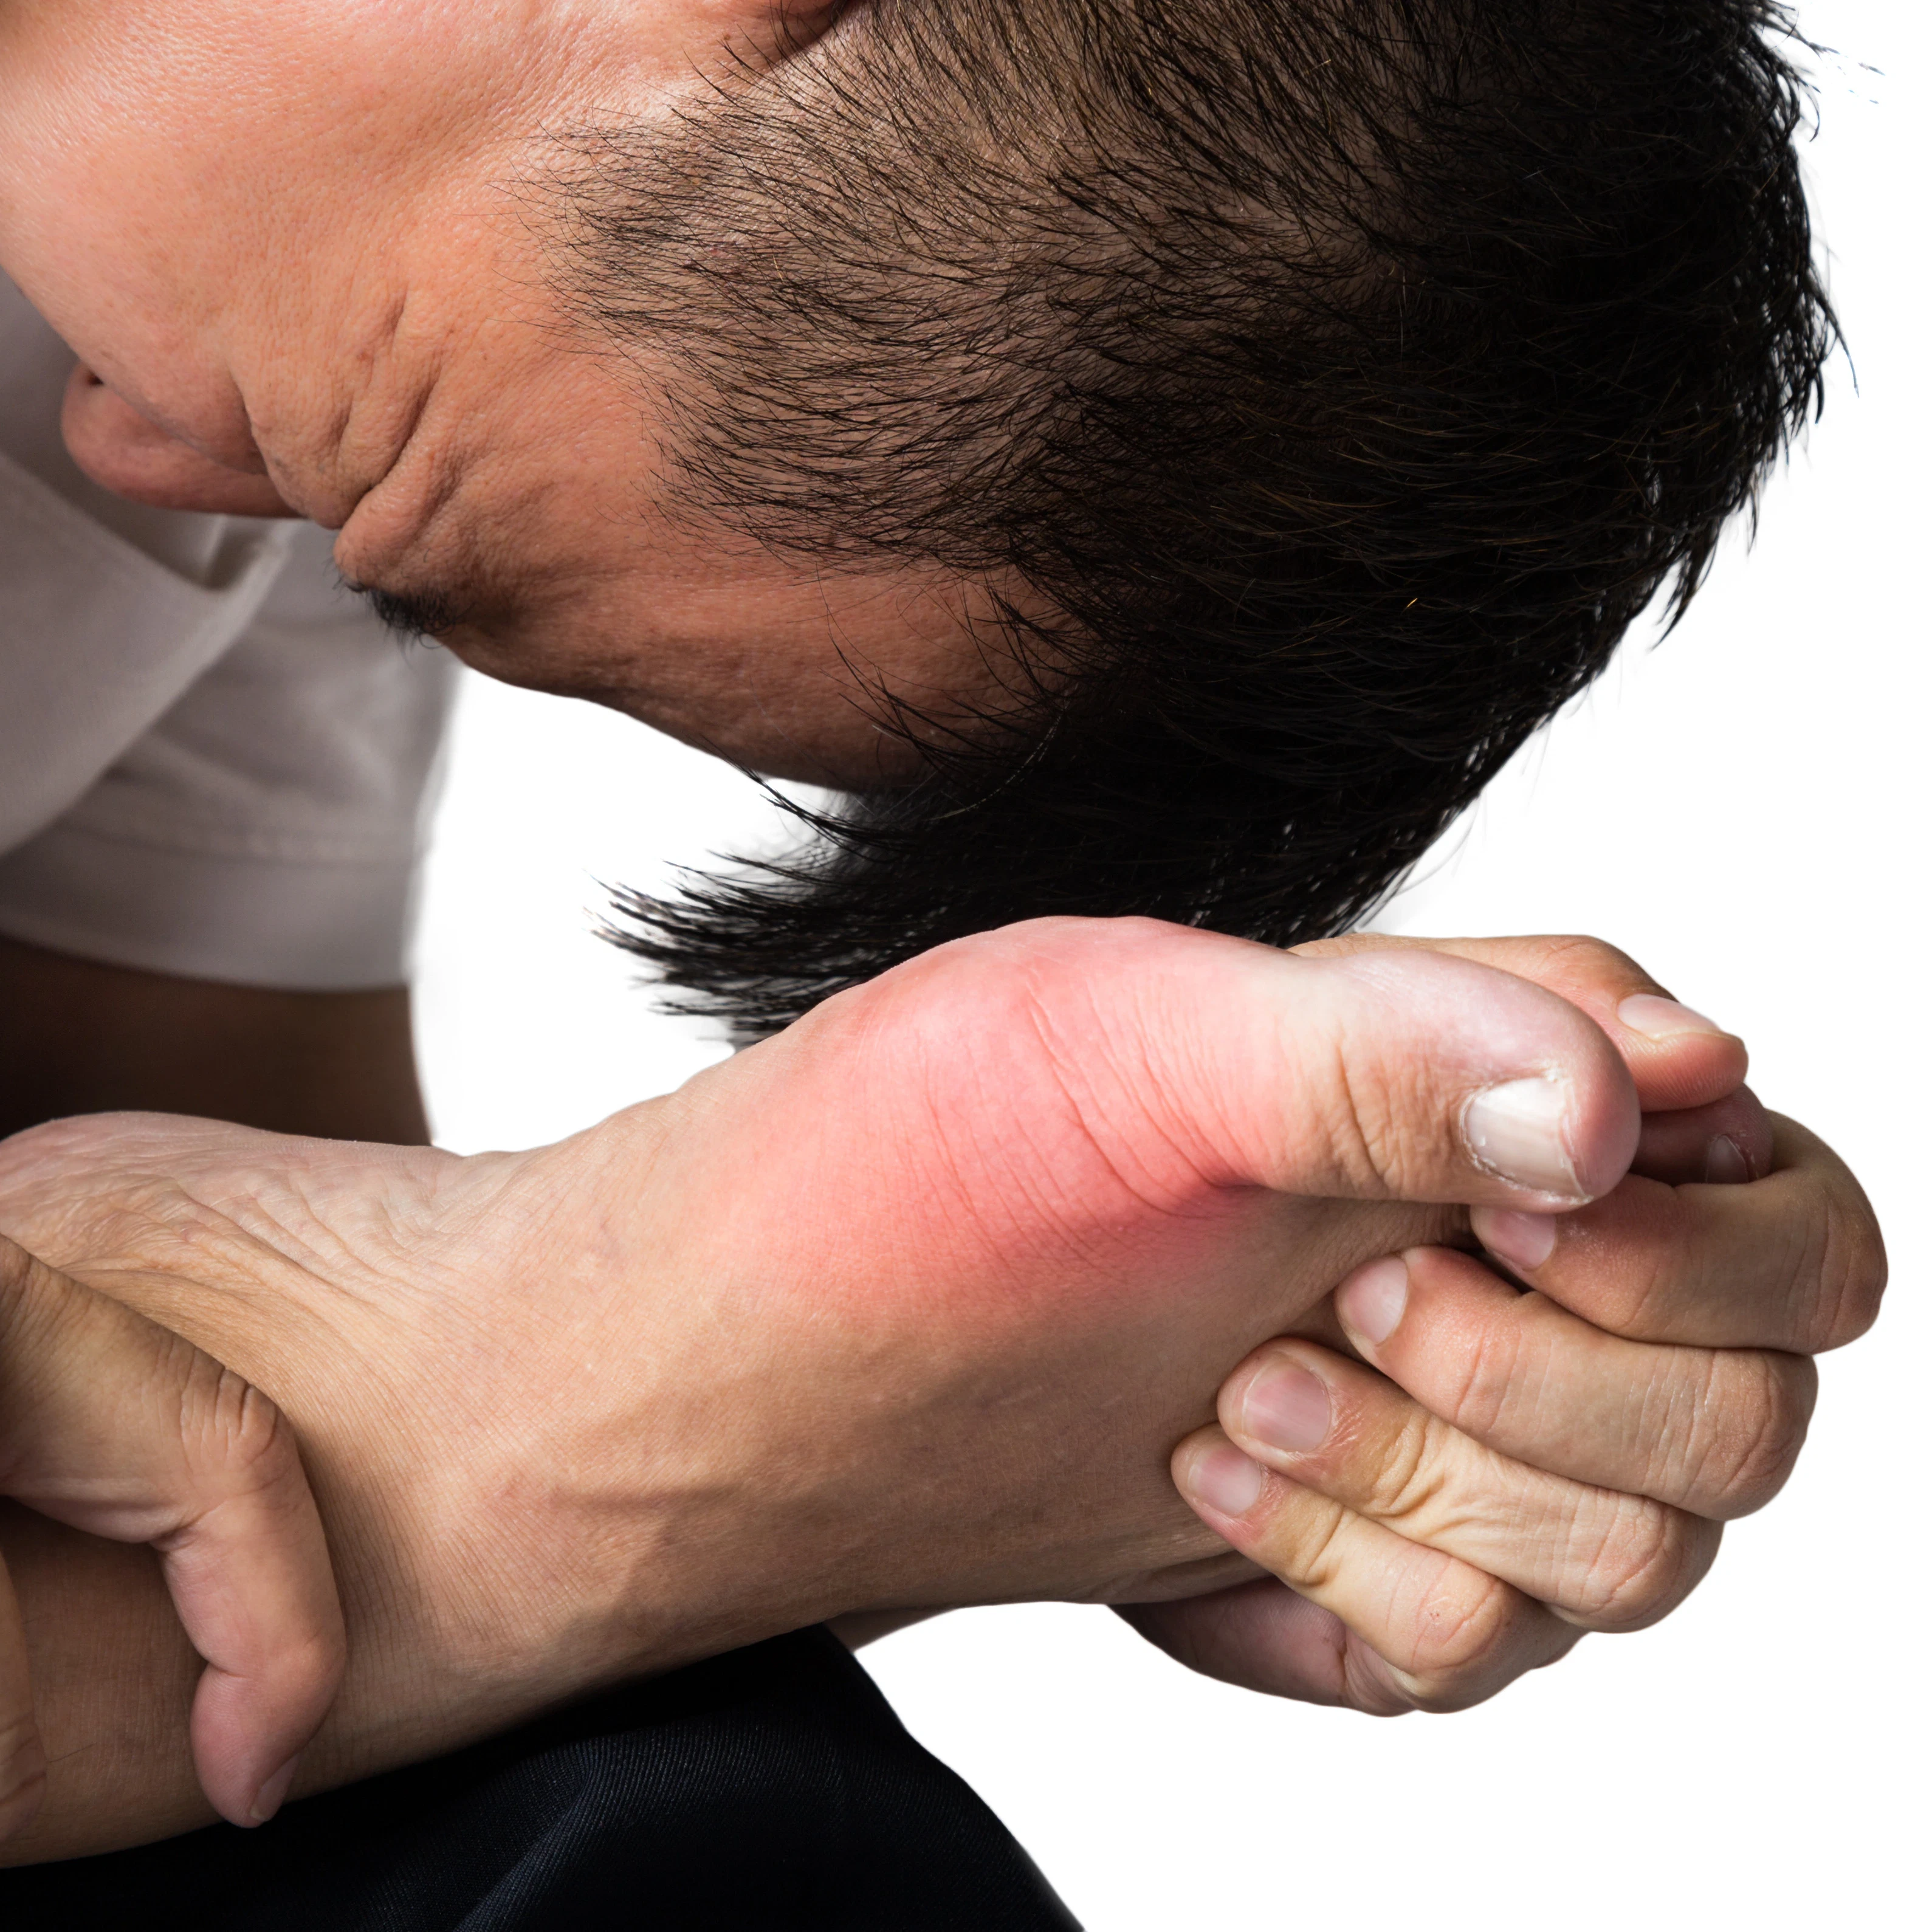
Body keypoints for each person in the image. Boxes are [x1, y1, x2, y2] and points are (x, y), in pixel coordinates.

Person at [0, 0, 1883, 1917]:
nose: (119, 457)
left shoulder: (211, 238)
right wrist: (635, 1435)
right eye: (366, 478)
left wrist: (992, 1411)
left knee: (684, 1828)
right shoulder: (236, 267)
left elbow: (180, 1368)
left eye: (350, 535)